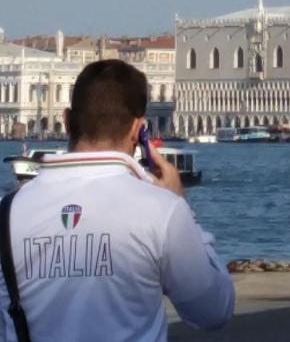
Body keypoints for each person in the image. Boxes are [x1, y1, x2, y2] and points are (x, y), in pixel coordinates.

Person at [0, 60, 234, 341]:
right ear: (139, 130)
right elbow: (213, 311)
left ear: (65, 119)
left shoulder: (8, 212)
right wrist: (184, 209)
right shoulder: (162, 211)